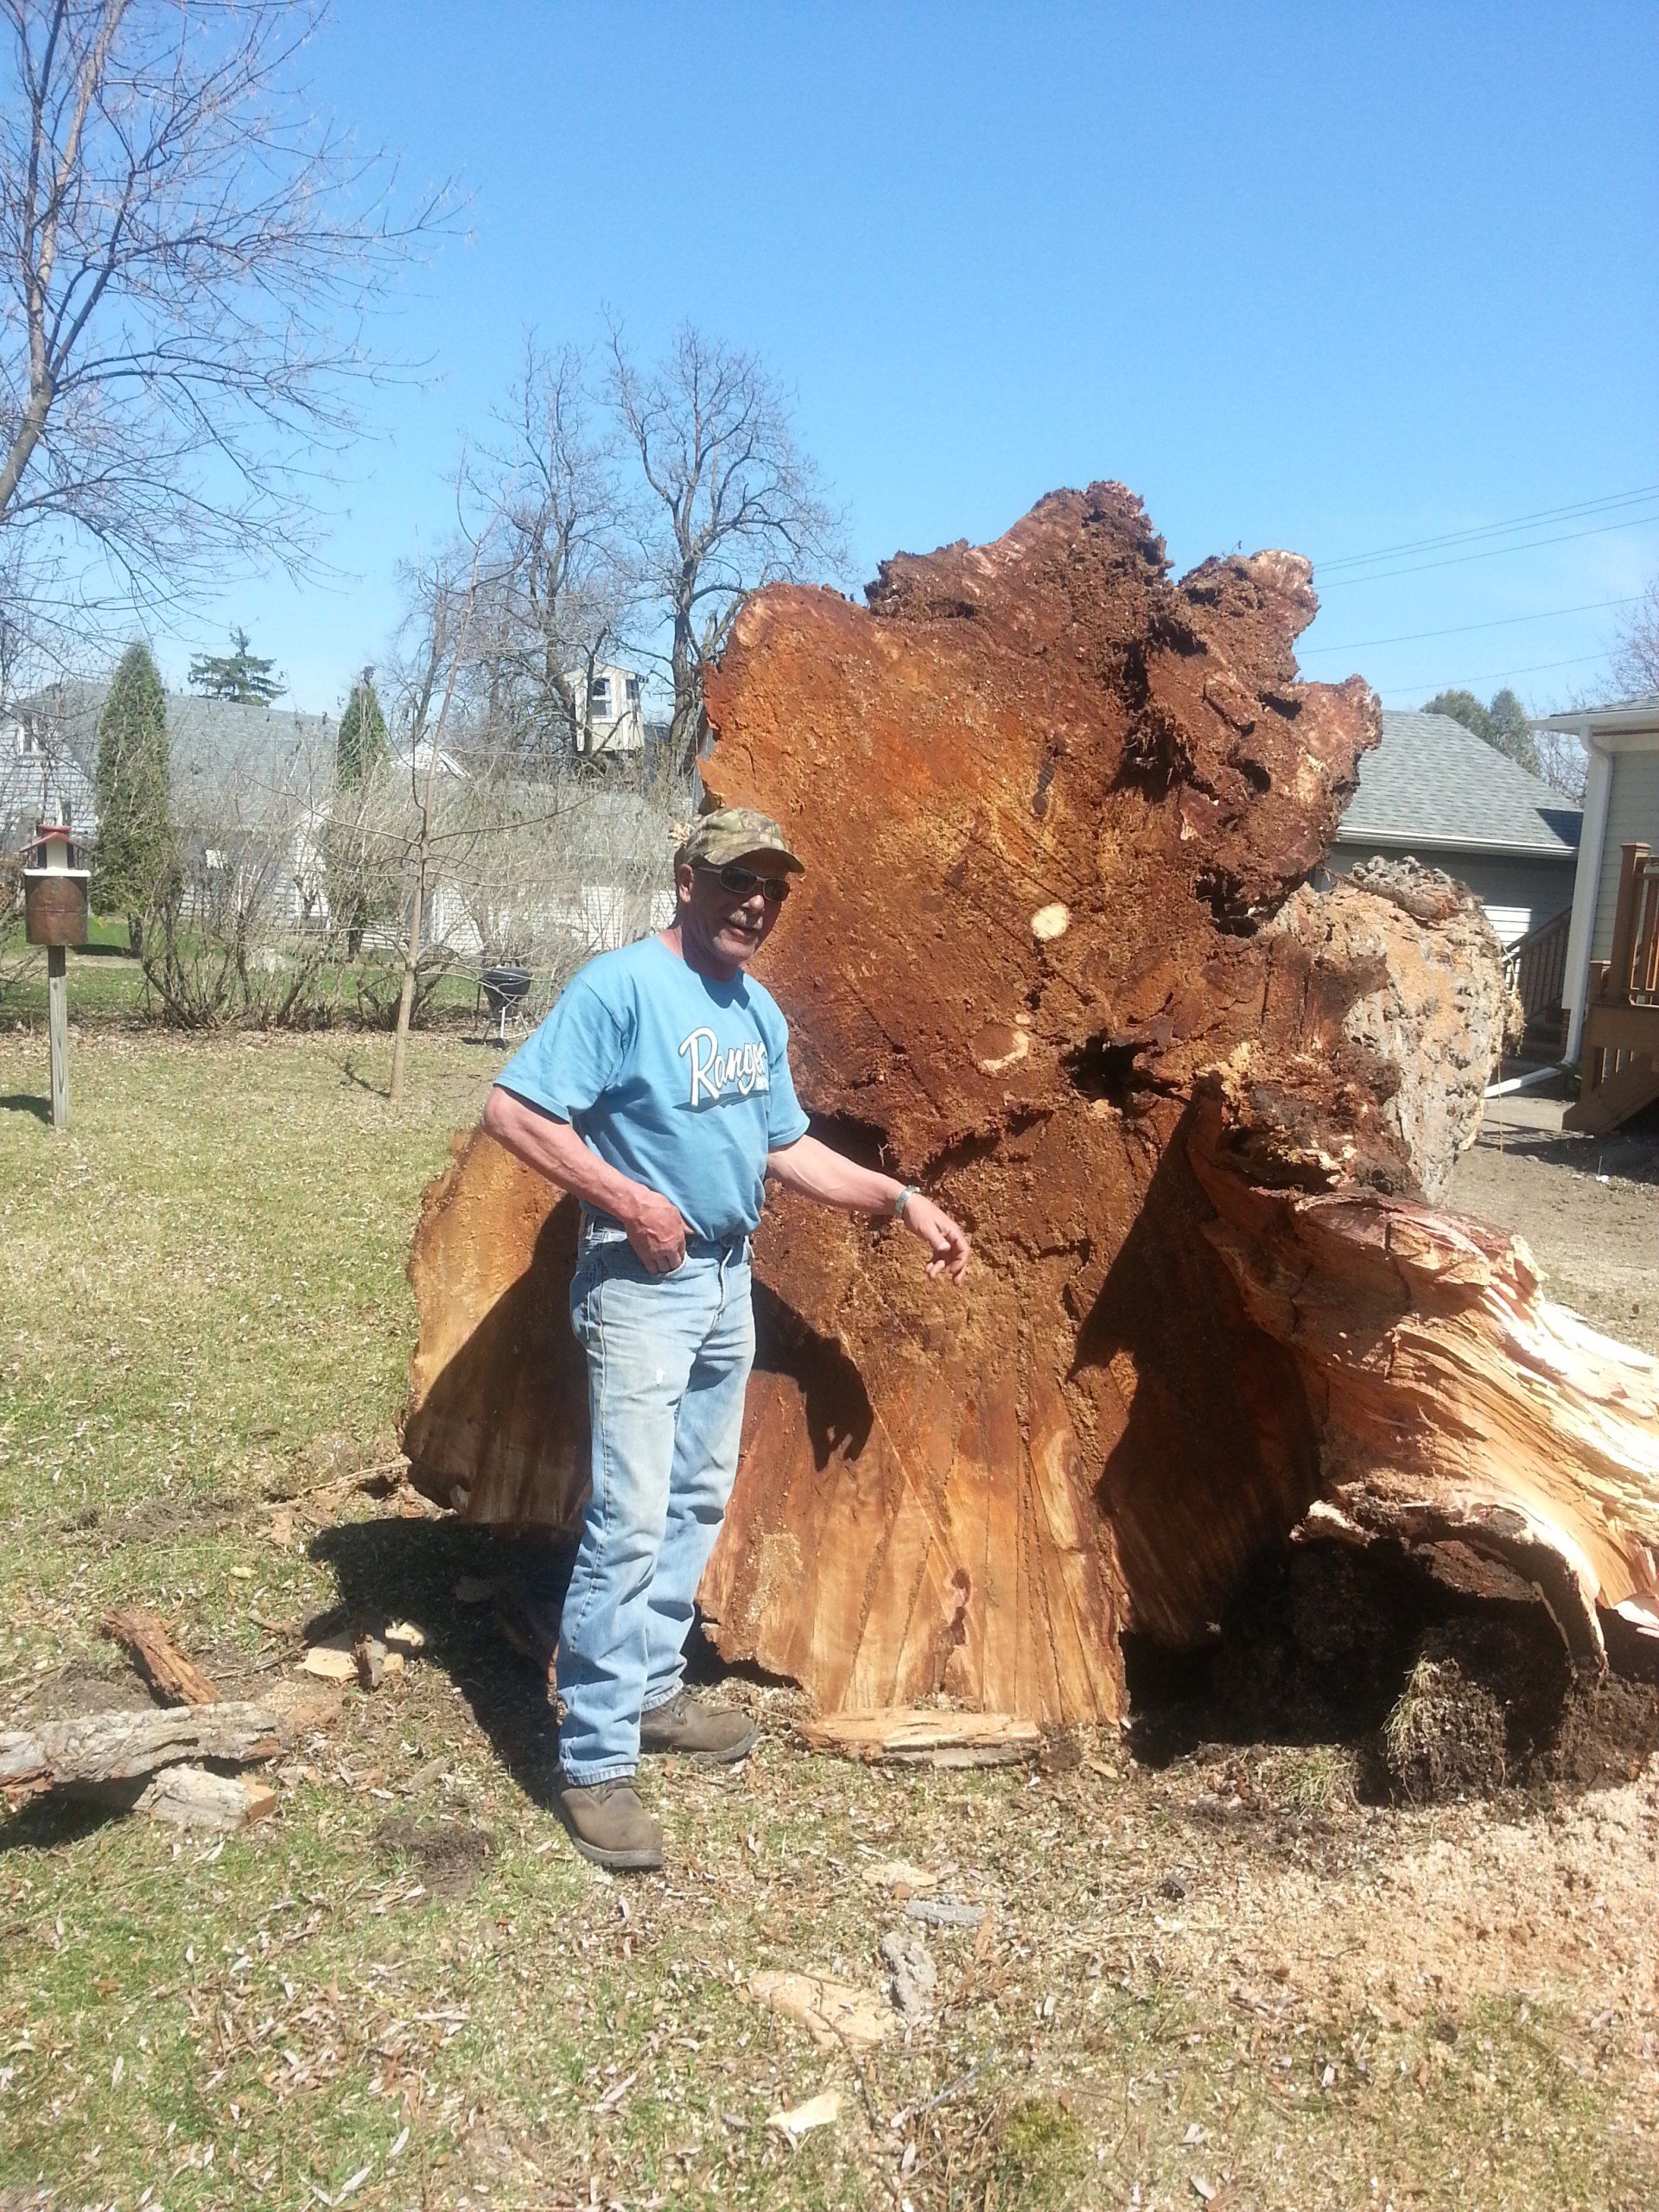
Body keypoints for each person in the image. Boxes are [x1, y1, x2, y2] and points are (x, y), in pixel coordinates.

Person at [482, 806, 970, 1871]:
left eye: (772, 889)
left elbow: (785, 1145)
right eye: (736, 879)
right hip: (640, 1282)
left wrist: (897, 1199)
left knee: (696, 1497)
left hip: (723, 1284)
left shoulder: (754, 1013)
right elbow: (515, 1111)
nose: (756, 901)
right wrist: (628, 1200)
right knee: (629, 1515)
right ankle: (598, 1757)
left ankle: (654, 1693)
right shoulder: (619, 988)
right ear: (686, 878)